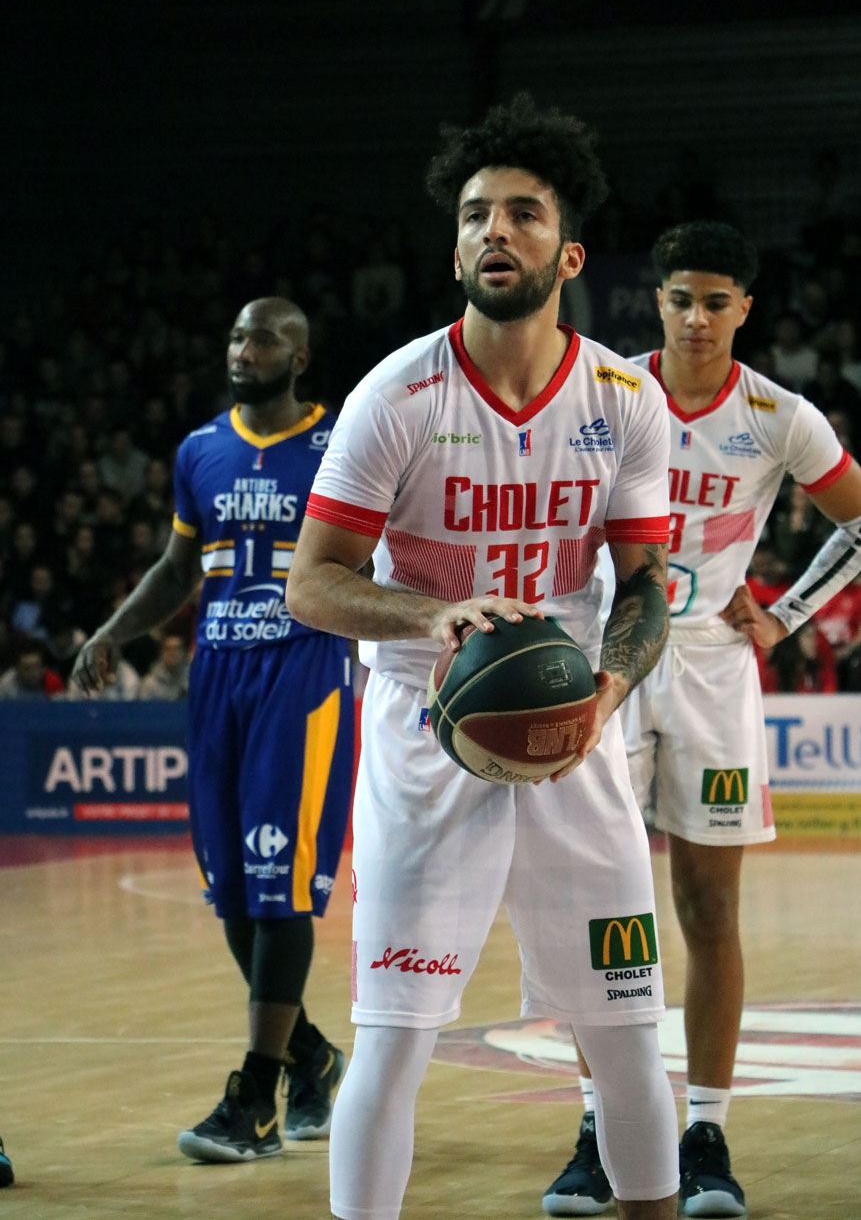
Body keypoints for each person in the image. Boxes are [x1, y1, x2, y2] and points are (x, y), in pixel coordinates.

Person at [286, 93, 680, 1220]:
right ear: (453, 245)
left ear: (569, 250)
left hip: (576, 727)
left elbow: (646, 589)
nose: (494, 232)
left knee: (623, 1026)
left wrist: (604, 691)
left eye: (521, 213)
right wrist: (429, 617)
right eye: (474, 216)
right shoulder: (397, 395)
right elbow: (311, 581)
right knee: (393, 1035)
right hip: (426, 730)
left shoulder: (623, 399)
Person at [545, 220, 861, 1218]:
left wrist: (787, 614)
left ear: (745, 310)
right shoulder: (602, 388)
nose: (694, 317)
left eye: (715, 301)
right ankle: (600, 1127)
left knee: (709, 911)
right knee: (597, 908)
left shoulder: (778, 414)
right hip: (608, 660)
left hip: (716, 671)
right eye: (679, 298)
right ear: (660, 303)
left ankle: (709, 1129)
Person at [71, 297, 354, 1163]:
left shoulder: (340, 442)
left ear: (299, 357)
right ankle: (310, 1056)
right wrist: (112, 631)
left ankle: (257, 1096)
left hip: (303, 674)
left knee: (280, 885)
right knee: (231, 892)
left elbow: (376, 556)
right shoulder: (199, 449)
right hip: (218, 675)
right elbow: (176, 565)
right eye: (235, 334)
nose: (244, 347)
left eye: (263, 336)